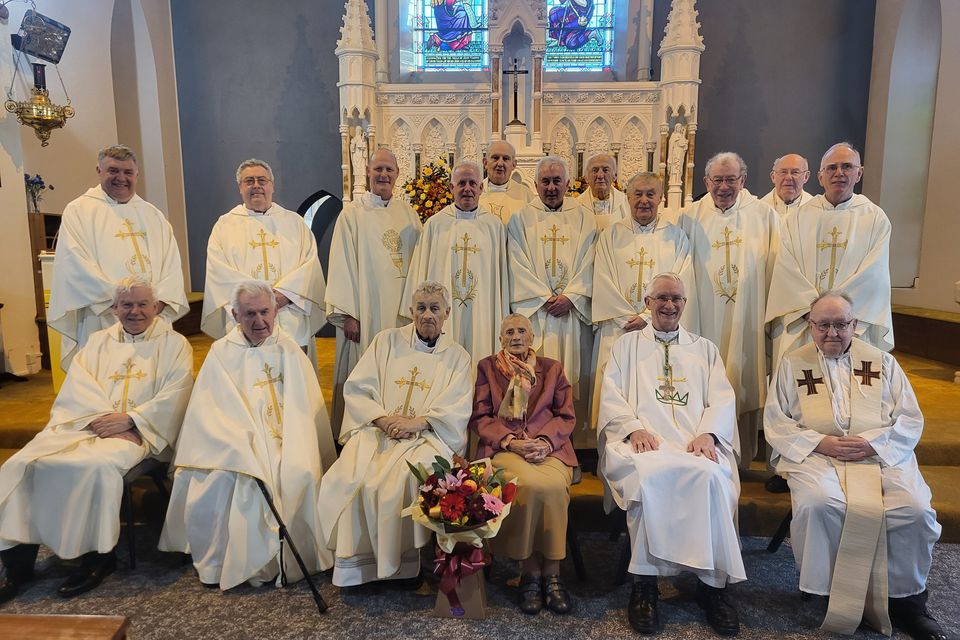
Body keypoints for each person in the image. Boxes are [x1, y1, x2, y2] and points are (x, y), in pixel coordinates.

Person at [764, 291, 944, 640]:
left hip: (879, 454)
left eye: (841, 324)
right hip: (819, 456)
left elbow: (909, 419)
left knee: (914, 509)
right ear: (810, 326)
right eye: (823, 325)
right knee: (821, 504)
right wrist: (821, 442)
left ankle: (908, 602)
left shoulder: (882, 363)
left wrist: (870, 443)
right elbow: (777, 422)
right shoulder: (793, 364)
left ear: (855, 325)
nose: (832, 333)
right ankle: (829, 593)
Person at [0, 279, 193, 602]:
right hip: (87, 425)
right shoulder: (96, 343)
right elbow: (78, 387)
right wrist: (98, 419)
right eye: (127, 305)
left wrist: (133, 419)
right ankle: (18, 563)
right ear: (114, 309)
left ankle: (97, 558)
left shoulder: (174, 345)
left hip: (140, 433)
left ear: (157, 307)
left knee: (94, 467)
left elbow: (178, 394)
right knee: (23, 463)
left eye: (143, 304)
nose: (135, 311)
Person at [160, 280, 336, 590]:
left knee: (299, 471)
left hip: (288, 439)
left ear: (276, 310)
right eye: (250, 314)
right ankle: (227, 563)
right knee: (223, 479)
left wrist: (293, 445)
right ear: (235, 315)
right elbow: (209, 413)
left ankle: (293, 559)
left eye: (265, 312)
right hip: (233, 444)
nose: (260, 322)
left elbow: (305, 411)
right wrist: (242, 446)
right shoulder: (221, 353)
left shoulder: (290, 349)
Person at [599, 272, 745, 637]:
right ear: (647, 303)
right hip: (644, 442)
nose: (669, 305)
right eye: (661, 298)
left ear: (684, 303)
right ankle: (645, 585)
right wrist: (633, 429)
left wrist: (709, 433)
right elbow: (612, 394)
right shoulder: (626, 346)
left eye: (676, 299)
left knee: (712, 476)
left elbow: (723, 398)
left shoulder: (704, 349)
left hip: (695, 444)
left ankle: (713, 587)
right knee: (650, 477)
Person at [317, 282, 473, 588]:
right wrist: (383, 419)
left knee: (401, 480)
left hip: (427, 437)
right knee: (351, 476)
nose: (428, 315)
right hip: (378, 431)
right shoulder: (386, 341)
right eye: (422, 308)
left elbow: (457, 406)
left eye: (435, 309)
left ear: (447, 314)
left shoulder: (457, 356)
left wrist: (418, 423)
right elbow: (359, 387)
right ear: (411, 312)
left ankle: (402, 567)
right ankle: (358, 568)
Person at [469, 313, 577, 615]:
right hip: (506, 448)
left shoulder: (552, 369)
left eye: (522, 331)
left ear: (532, 338)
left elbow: (566, 416)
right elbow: (480, 417)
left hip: (549, 449)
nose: (515, 336)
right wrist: (512, 442)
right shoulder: (487, 368)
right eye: (509, 332)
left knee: (554, 486)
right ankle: (530, 570)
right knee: (526, 486)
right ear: (500, 339)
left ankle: (552, 571)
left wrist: (544, 442)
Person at [679, 151, 780, 468]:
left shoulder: (764, 216)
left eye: (731, 179)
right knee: (702, 383)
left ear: (743, 181)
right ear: (706, 181)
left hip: (747, 319)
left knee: (741, 378)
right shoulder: (689, 217)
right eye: (717, 180)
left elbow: (777, 268)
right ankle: (700, 450)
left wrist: (770, 319)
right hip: (701, 320)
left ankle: (740, 457)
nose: (724, 187)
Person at [48, 144, 188, 370]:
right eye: (113, 171)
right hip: (103, 317)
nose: (121, 178)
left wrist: (157, 303)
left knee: (153, 377)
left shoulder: (153, 215)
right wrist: (122, 306)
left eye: (127, 172)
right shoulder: (79, 211)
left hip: (152, 319)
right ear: (99, 171)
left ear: (136, 175)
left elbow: (171, 264)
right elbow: (74, 265)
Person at [766, 143, 893, 372]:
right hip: (806, 323)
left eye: (847, 166)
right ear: (820, 176)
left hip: (852, 327)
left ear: (859, 173)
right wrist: (815, 315)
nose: (839, 173)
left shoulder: (875, 218)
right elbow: (786, 269)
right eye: (832, 167)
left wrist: (836, 319)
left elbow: (874, 277)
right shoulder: (798, 218)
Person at [325, 148, 423, 439]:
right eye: (378, 169)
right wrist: (348, 314)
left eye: (389, 170)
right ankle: (360, 433)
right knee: (365, 368)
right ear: (367, 172)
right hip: (365, 312)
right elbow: (341, 263)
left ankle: (400, 423)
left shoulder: (408, 214)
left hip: (402, 314)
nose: (383, 175)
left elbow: (420, 263)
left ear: (397, 175)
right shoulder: (352, 215)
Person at [591, 172, 692, 430]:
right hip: (618, 327)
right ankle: (610, 450)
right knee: (614, 387)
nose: (644, 200)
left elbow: (681, 281)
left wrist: (648, 317)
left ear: (661, 198)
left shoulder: (676, 237)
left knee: (653, 385)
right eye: (638, 194)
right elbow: (602, 279)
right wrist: (627, 317)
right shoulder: (611, 236)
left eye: (650, 194)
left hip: (659, 328)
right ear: (627, 197)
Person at [507, 156, 596, 448]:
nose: (551, 187)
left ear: (568, 184)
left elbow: (591, 260)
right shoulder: (521, 219)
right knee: (534, 382)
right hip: (537, 314)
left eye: (557, 181)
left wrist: (571, 295)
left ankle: (569, 448)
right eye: (545, 181)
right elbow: (515, 262)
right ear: (535, 185)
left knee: (570, 378)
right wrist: (543, 297)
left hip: (570, 315)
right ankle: (531, 442)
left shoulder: (584, 217)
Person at [201, 159, 327, 364]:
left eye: (262, 180)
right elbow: (220, 272)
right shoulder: (224, 226)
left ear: (272, 185)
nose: (256, 185)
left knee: (293, 380)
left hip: (288, 317)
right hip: (247, 320)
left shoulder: (294, 222)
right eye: (249, 181)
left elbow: (309, 265)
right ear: (240, 188)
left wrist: (283, 296)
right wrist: (258, 303)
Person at [401, 161, 509, 365]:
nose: (467, 188)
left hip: (483, 313)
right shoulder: (435, 224)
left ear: (481, 187)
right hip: (442, 313)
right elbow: (420, 276)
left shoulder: (494, 226)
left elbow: (501, 279)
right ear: (452, 188)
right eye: (461, 183)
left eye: (472, 183)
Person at [479, 140, 534, 224]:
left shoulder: (526, 195)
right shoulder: (475, 193)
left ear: (513, 165)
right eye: (495, 158)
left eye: (506, 158)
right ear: (485, 163)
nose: (500, 163)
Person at [577, 152, 630, 232]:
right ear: (586, 177)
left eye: (605, 170)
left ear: (614, 176)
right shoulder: (576, 205)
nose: (600, 176)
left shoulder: (627, 203)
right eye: (595, 170)